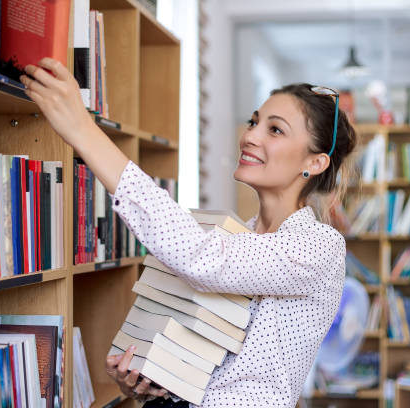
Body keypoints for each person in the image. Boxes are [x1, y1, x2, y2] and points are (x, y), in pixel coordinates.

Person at [19, 58, 356, 408]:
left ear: (314, 163)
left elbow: (201, 258)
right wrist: (152, 382)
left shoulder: (319, 245)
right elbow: (206, 366)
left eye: (275, 130)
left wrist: (82, 130)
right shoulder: (240, 236)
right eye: (253, 122)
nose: (249, 136)